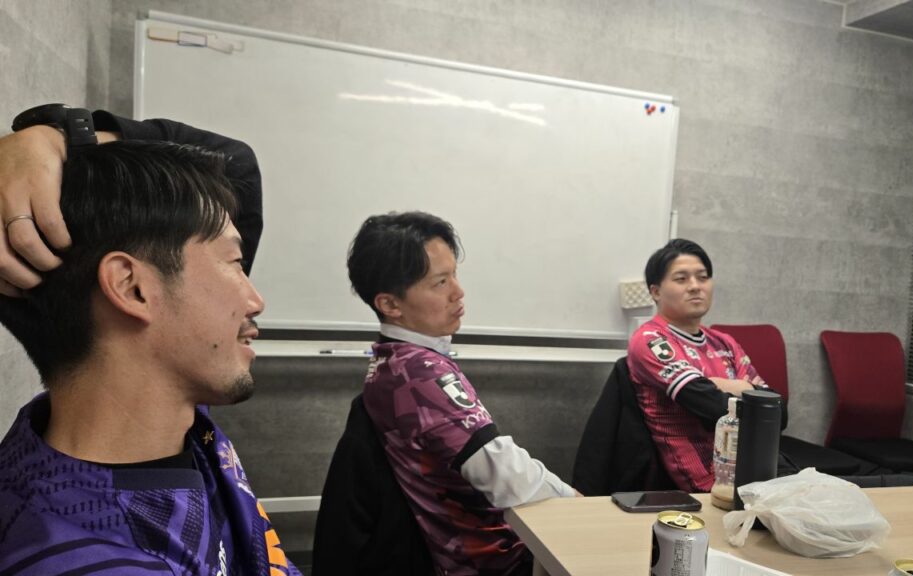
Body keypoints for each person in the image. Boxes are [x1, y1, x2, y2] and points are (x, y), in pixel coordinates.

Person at [0, 107, 300, 575]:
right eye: (235, 263)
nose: (255, 300)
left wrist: (53, 140)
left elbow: (234, 164)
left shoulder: (162, 410)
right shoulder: (92, 559)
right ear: (133, 288)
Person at [323, 211, 577, 576]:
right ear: (390, 304)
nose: (458, 291)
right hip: (493, 560)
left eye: (454, 274)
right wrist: (579, 503)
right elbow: (506, 474)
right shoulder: (421, 374)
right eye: (440, 282)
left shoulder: (391, 361)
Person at [626, 238, 787, 493]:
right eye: (681, 279)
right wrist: (743, 388)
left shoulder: (724, 342)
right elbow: (711, 405)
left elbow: (777, 413)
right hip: (707, 482)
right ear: (656, 291)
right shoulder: (651, 340)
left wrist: (720, 385)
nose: (695, 287)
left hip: (757, 469)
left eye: (702, 277)